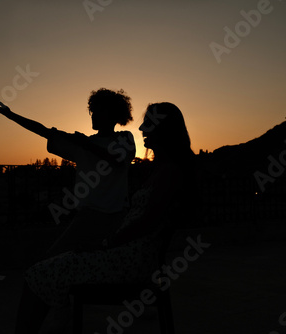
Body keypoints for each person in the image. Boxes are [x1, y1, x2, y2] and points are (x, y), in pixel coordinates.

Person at [14, 102, 198, 333]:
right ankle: (61, 309)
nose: (141, 128)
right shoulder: (163, 170)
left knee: (38, 274)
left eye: (148, 123)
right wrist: (12, 115)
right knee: (47, 269)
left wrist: (104, 245)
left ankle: (58, 312)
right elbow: (47, 132)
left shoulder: (167, 171)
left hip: (128, 261)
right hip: (126, 253)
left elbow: (146, 223)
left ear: (163, 129)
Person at [0, 88, 136, 254]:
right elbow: (44, 131)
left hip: (116, 216)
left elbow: (117, 160)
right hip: (87, 215)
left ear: (112, 115)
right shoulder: (81, 143)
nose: (93, 115)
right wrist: (10, 115)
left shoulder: (124, 138)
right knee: (58, 258)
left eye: (97, 111)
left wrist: (86, 145)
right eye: (92, 111)